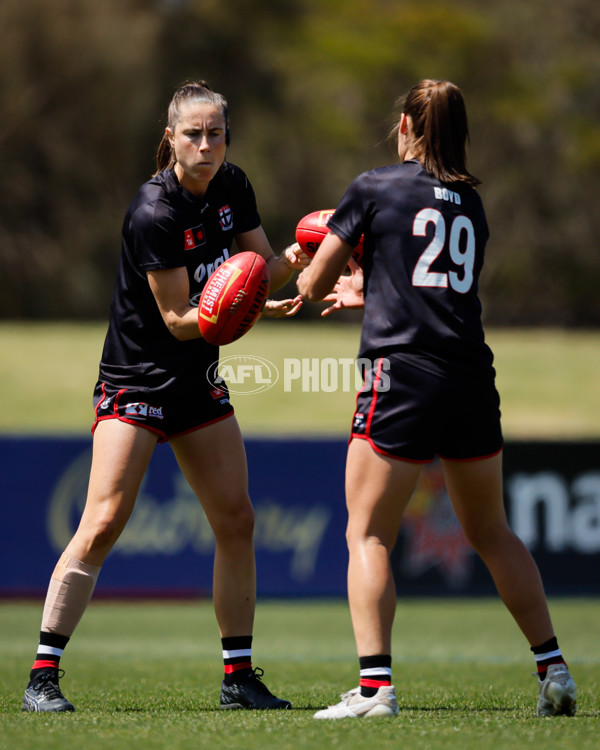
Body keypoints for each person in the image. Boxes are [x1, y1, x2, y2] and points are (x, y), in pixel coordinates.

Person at [21, 81, 308, 713]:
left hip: (196, 379)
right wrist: (244, 312)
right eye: (193, 134)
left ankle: (238, 677)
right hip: (138, 379)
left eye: (216, 133)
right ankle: (42, 676)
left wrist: (303, 254)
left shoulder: (233, 185)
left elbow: (257, 264)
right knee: (101, 523)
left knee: (237, 518)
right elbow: (179, 317)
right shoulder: (155, 211)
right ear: (170, 139)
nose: (206, 145)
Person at [297, 79, 577, 720]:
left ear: (405, 125)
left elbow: (312, 284)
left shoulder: (373, 186)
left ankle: (375, 690)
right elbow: (437, 287)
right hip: (469, 376)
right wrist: (371, 289)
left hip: (400, 376)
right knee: (492, 531)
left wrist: (317, 257)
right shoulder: (473, 206)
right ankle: (554, 668)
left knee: (366, 534)